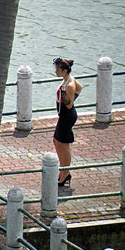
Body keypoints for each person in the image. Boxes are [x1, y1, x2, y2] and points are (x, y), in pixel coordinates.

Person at [53, 58, 82, 186]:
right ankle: (63, 169)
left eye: (58, 70)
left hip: (67, 115)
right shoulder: (68, 80)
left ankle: (65, 173)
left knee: (64, 144)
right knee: (56, 141)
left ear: (65, 71)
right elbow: (80, 88)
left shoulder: (69, 85)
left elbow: (69, 105)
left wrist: (66, 94)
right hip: (63, 115)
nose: (56, 72)